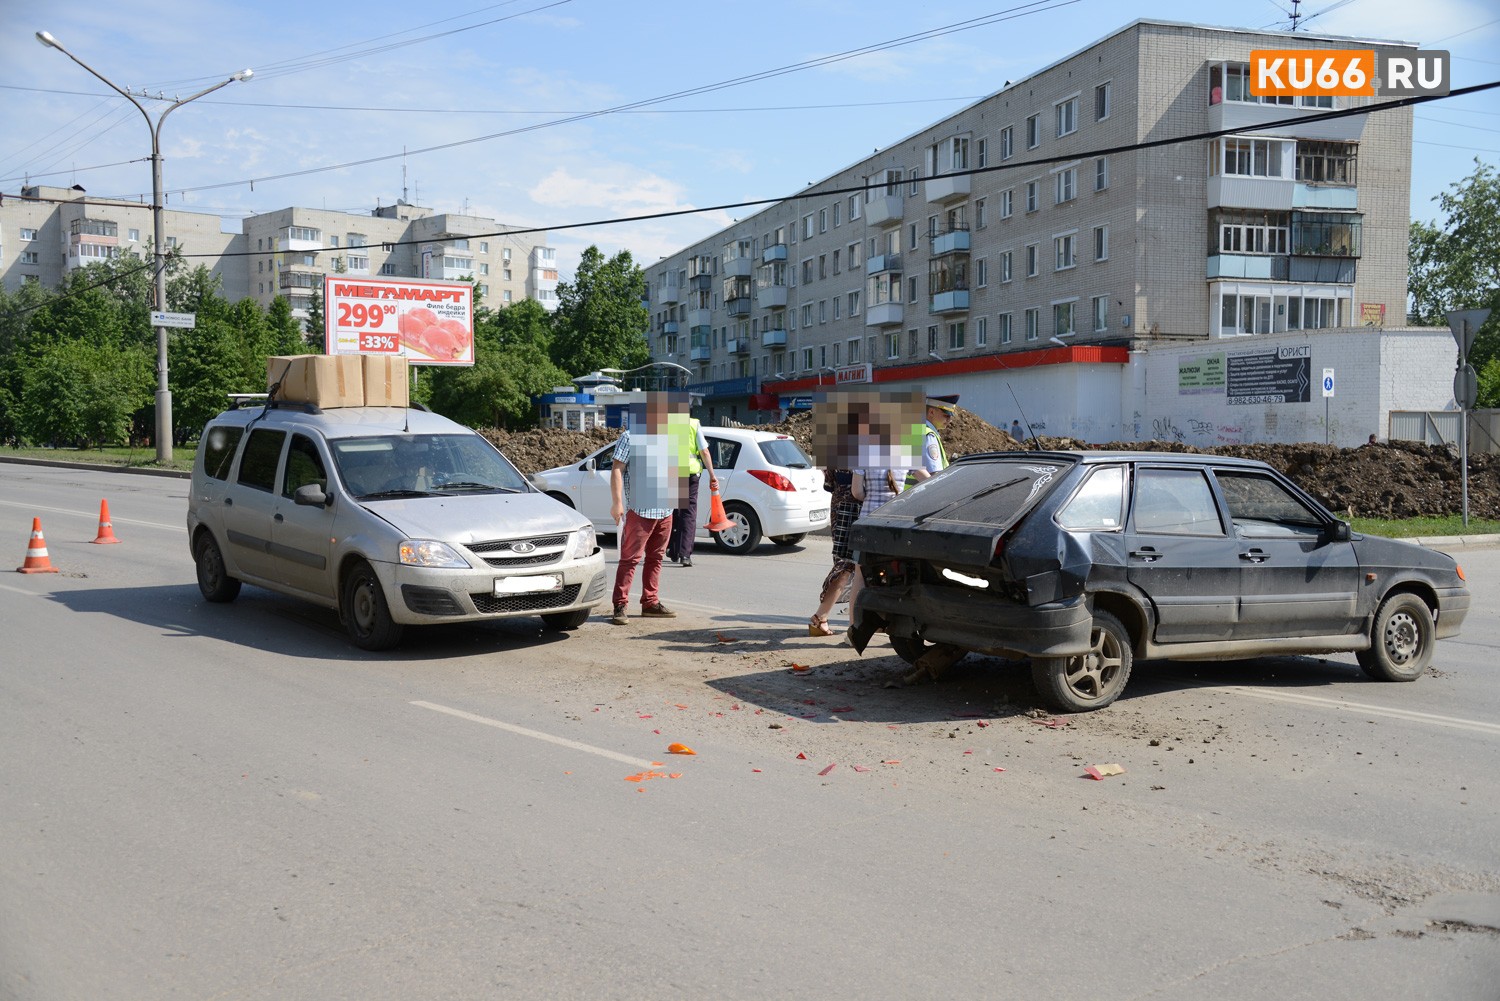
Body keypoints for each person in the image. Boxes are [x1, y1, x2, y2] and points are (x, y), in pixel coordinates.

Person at [607, 396, 716, 626]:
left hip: (665, 509)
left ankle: (650, 602)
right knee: (630, 559)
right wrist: (617, 503)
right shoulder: (630, 437)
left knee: (656, 557)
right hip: (640, 508)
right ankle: (620, 604)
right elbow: (617, 469)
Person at [666, 414, 715, 568]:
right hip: (691, 474)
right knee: (689, 513)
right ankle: (685, 555)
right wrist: (712, 475)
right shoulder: (693, 424)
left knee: (674, 511)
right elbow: (704, 452)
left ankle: (672, 549)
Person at [906, 394, 959, 487]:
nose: (949, 420)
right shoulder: (929, 435)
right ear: (931, 412)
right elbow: (935, 475)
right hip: (923, 496)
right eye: (946, 415)